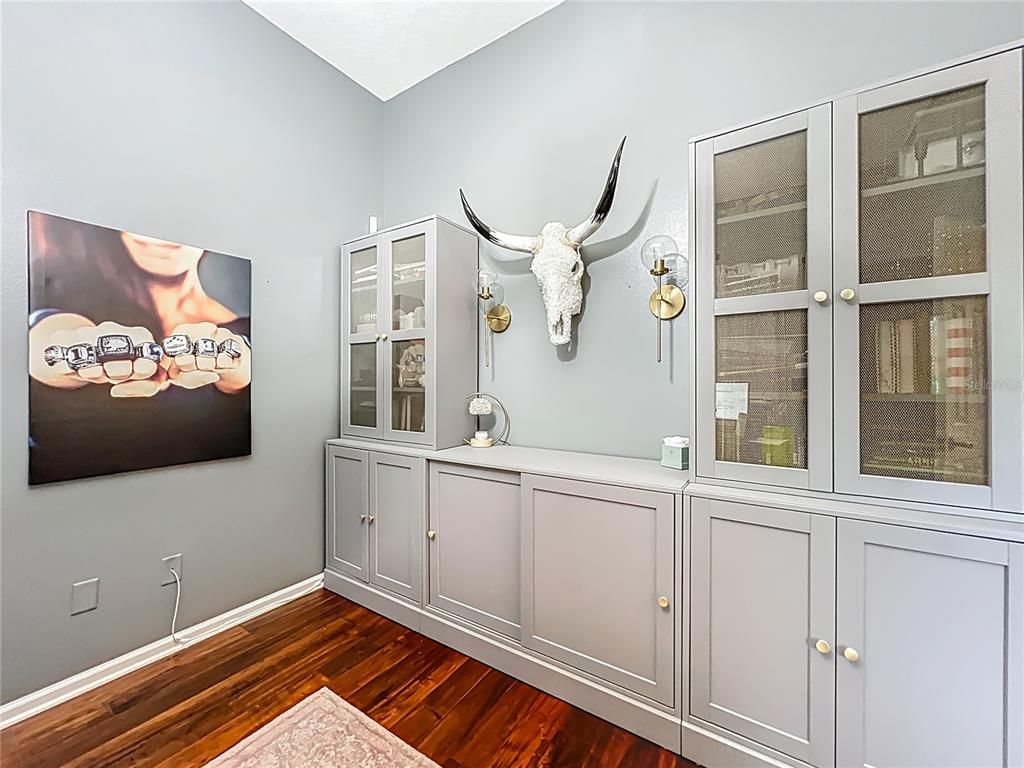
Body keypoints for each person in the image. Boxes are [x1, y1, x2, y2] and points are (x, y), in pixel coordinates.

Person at [27, 212, 251, 484]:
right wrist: (66, 353)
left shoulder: (241, 333)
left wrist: (239, 372)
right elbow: (46, 340)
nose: (161, 238)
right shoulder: (60, 292)